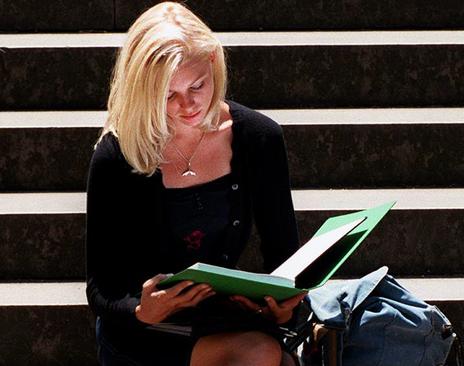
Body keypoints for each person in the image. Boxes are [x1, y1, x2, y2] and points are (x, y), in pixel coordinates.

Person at [85, 2, 305, 365]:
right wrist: (141, 310)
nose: (187, 106)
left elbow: (284, 258)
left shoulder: (258, 138)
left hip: (223, 320)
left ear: (215, 63)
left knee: (269, 354)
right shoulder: (117, 156)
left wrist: (284, 309)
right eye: (168, 95)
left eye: (198, 86)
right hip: (145, 331)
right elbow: (100, 288)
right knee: (266, 357)